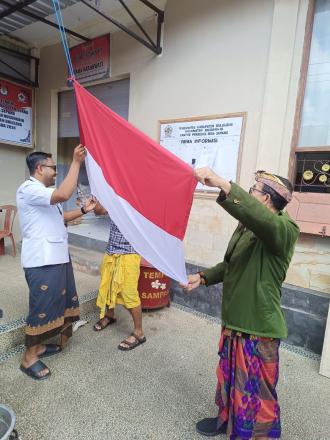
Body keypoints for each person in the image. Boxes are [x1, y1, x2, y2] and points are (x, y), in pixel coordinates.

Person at [182, 168, 299, 439]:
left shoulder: (284, 229)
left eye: (254, 189)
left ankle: (255, 435)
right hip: (235, 319)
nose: (249, 192)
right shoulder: (247, 226)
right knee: (229, 378)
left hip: (258, 327)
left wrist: (222, 183)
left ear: (268, 199)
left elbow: (264, 222)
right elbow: (231, 264)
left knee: (255, 392)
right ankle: (225, 419)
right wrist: (202, 277)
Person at [16, 145, 96, 380]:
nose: (55, 173)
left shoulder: (44, 192)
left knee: (56, 303)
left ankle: (39, 347)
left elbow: (61, 216)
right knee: (42, 307)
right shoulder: (29, 189)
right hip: (42, 261)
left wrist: (83, 210)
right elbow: (63, 194)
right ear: (40, 168)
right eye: (52, 168)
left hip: (57, 258)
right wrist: (76, 162)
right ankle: (29, 358)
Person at [93, 203, 146, 351]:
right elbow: (98, 211)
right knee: (108, 287)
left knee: (129, 294)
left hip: (129, 254)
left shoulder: (140, 198)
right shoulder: (115, 196)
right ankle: (110, 316)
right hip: (111, 251)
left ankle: (139, 333)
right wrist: (100, 197)